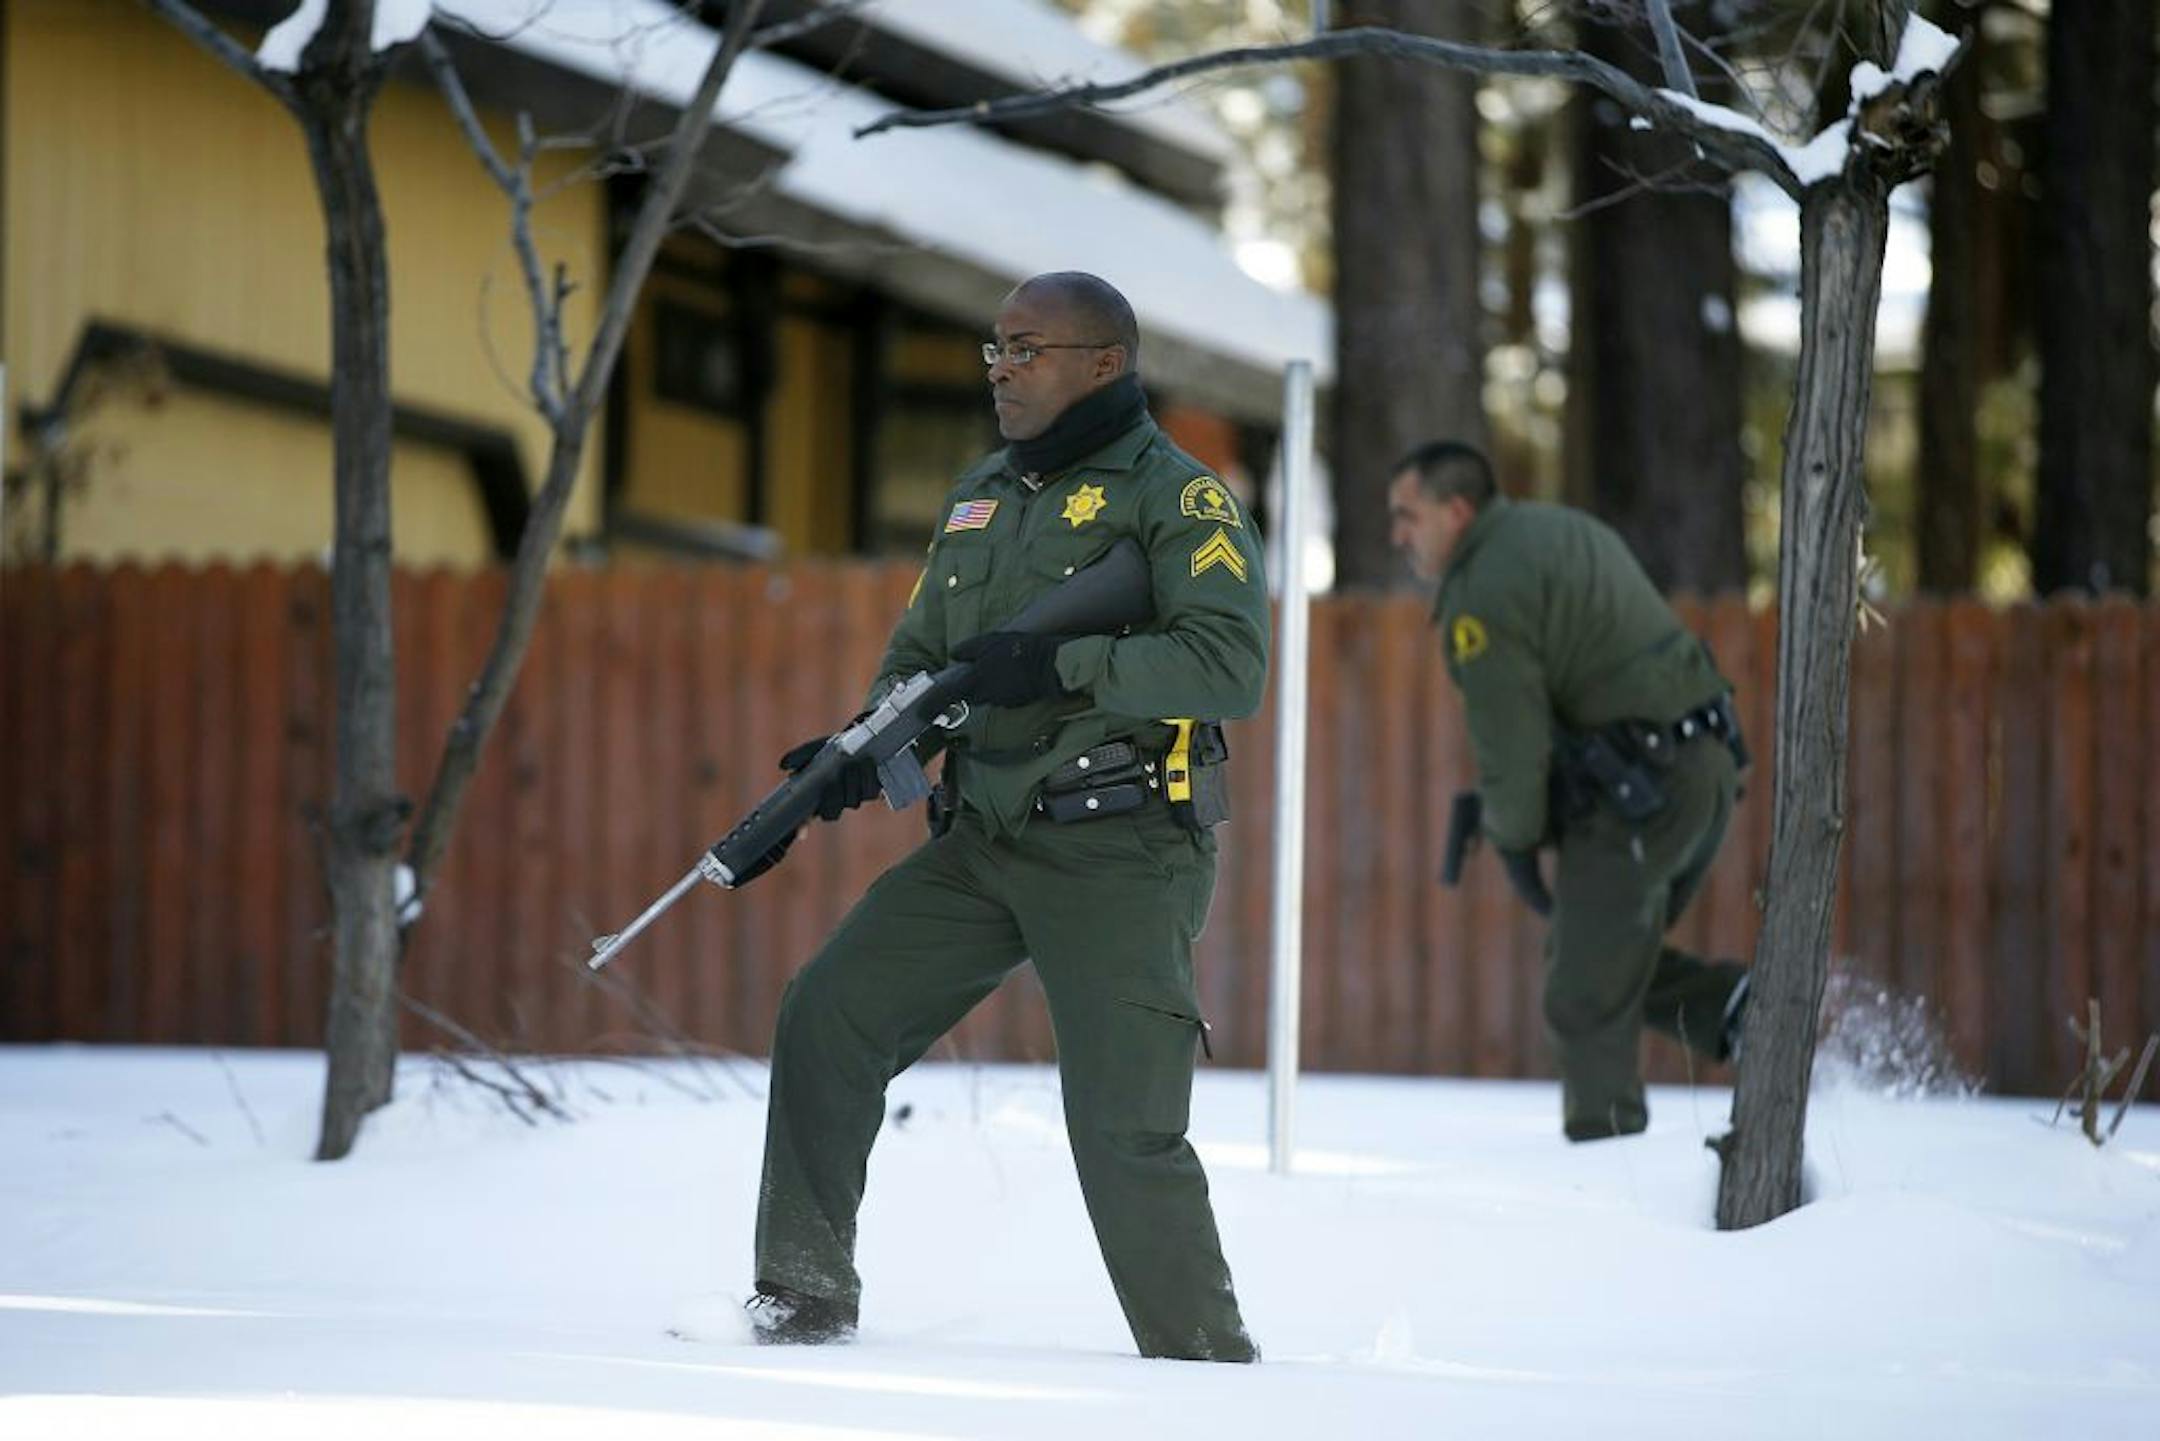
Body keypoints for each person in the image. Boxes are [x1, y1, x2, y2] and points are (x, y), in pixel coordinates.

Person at [742, 272, 1265, 1361]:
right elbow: (929, 659)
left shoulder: (1180, 499)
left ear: (1103, 363)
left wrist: (1059, 659)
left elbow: (1228, 667)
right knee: (829, 1011)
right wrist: (856, 750)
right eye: (995, 348)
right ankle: (800, 1296)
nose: (999, 368)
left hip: (1122, 848)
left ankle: (1208, 1370)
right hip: (983, 841)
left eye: (1026, 348)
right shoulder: (985, 490)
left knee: (1124, 1131)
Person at [1387, 440, 1751, 1142]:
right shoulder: (1557, 529)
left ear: (1457, 510)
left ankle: (1609, 1173)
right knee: (1598, 958)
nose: (1399, 535)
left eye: (1409, 515)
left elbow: (1511, 744)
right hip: (1700, 770)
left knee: (1584, 993)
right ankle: (1733, 1008)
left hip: (1644, 790)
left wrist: (1516, 839)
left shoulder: (1484, 587)